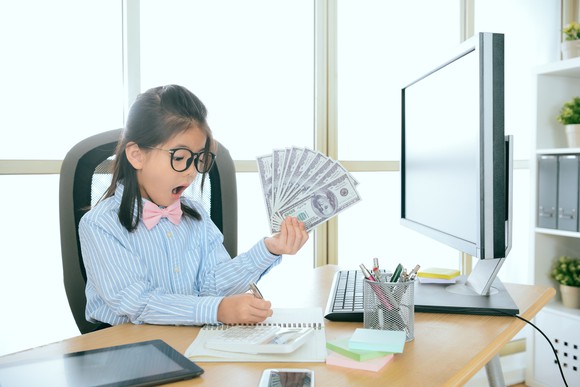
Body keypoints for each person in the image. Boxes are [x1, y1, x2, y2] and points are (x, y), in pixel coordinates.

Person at [79, 84, 309, 327]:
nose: (191, 173)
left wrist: (270, 249)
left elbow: (213, 285)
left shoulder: (195, 214)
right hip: (127, 350)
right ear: (137, 155)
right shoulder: (100, 225)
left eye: (198, 159)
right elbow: (138, 304)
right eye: (179, 158)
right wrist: (216, 310)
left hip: (192, 341)